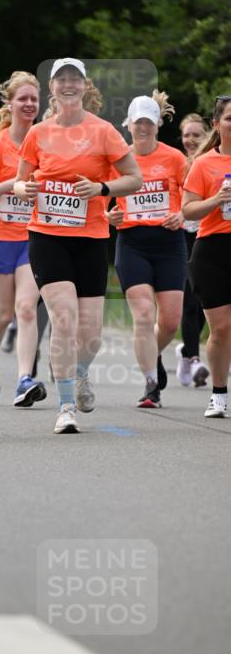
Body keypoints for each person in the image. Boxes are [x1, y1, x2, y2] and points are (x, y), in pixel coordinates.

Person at [13, 58, 142, 434]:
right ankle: (65, 405)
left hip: (90, 238)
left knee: (92, 334)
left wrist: (102, 189)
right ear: (51, 88)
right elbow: (19, 184)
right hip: (47, 236)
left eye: (75, 79)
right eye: (60, 79)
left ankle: (80, 372)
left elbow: (134, 178)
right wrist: (27, 189)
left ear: (85, 87)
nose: (68, 84)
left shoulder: (103, 132)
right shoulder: (38, 134)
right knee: (64, 319)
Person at [106, 91, 187, 408]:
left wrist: (183, 212)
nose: (143, 128)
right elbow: (101, 199)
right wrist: (108, 216)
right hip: (133, 243)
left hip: (169, 242)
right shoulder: (119, 160)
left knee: (169, 321)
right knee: (143, 315)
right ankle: (151, 385)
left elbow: (191, 195)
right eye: (138, 123)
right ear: (129, 124)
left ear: (157, 125)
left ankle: (151, 356)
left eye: (148, 123)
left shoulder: (175, 158)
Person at [0, 71, 46, 406]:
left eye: (34, 99)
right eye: (23, 98)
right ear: (10, 103)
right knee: (4, 314)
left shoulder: (46, 141)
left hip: (33, 239)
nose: (29, 104)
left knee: (27, 308)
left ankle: (24, 380)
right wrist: (11, 186)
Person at [182, 95, 231, 419]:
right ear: (217, 124)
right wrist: (216, 199)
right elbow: (187, 209)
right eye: (230, 118)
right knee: (222, 327)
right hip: (213, 249)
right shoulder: (204, 164)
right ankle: (218, 393)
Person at [176, 113, 211, 387]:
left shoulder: (214, 162)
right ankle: (196, 359)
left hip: (209, 235)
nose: (190, 140)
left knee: (202, 302)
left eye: (196, 135)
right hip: (182, 237)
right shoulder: (177, 163)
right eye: (186, 135)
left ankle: (187, 352)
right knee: (189, 300)